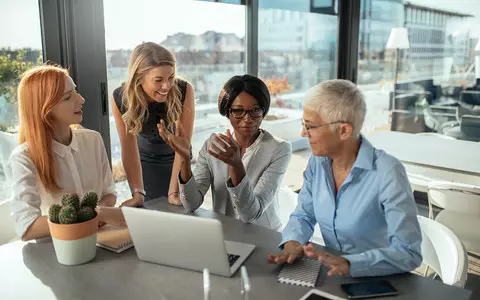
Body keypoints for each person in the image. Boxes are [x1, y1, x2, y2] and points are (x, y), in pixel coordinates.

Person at [267, 79, 422, 277]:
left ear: (343, 130)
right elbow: (304, 215)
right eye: (303, 124)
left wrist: (350, 264)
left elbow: (409, 252)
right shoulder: (318, 162)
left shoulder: (388, 172)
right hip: (334, 276)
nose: (303, 133)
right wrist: (293, 243)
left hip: (381, 281)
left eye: (310, 126)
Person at [159, 75, 292, 230]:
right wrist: (184, 158)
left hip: (264, 235)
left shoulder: (279, 149)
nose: (247, 118)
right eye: (238, 111)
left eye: (255, 110)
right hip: (223, 232)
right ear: (227, 112)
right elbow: (191, 204)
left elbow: (251, 214)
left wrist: (236, 165)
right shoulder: (212, 145)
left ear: (263, 110)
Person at [10, 65, 121, 241]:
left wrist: (92, 215)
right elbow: (27, 227)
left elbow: (109, 194)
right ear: (44, 108)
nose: (82, 99)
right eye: (68, 97)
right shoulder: (23, 157)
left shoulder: (93, 140)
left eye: (76, 92)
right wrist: (86, 217)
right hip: (55, 248)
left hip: (99, 240)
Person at [111, 42, 195, 206]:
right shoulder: (120, 98)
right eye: (158, 80)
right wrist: (137, 193)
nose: (167, 86)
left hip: (180, 161)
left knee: (181, 211)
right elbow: (128, 148)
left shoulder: (184, 90)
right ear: (139, 78)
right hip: (145, 164)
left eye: (171, 78)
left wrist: (174, 192)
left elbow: (184, 142)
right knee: (151, 214)